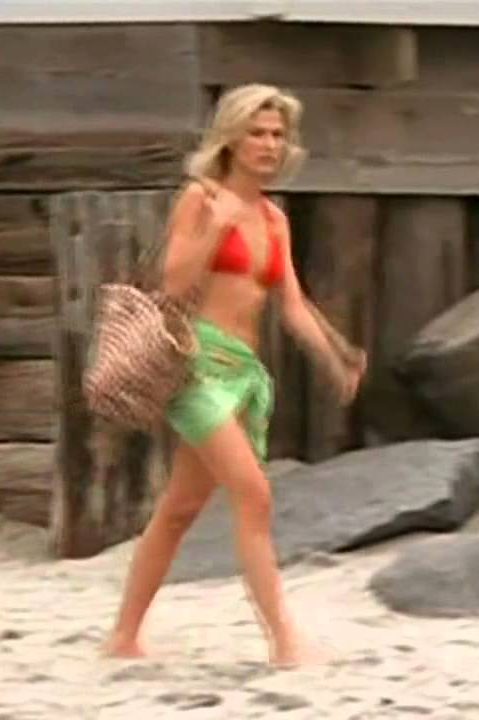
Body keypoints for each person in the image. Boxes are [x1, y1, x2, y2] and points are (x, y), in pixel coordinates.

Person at [101, 84, 367, 667]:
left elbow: (292, 305)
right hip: (196, 367)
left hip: (244, 375)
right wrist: (216, 229)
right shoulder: (200, 198)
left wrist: (336, 356)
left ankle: (123, 637)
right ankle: (285, 643)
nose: (269, 144)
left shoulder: (274, 218)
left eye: (277, 135)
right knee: (254, 494)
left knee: (178, 509)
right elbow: (173, 283)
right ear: (231, 138)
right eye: (257, 133)